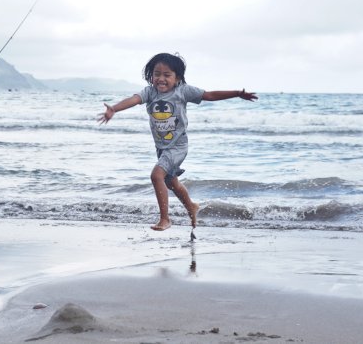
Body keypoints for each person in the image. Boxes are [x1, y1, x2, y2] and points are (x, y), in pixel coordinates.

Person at [98, 53, 258, 231]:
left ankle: (165, 219)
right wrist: (114, 109)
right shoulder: (149, 92)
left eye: (167, 75)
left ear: (177, 77)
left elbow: (210, 95)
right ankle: (191, 206)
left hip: (178, 146)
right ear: (151, 75)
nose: (161, 79)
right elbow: (134, 100)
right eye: (157, 74)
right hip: (162, 147)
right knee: (170, 182)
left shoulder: (183, 90)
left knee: (156, 175)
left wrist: (236, 93)